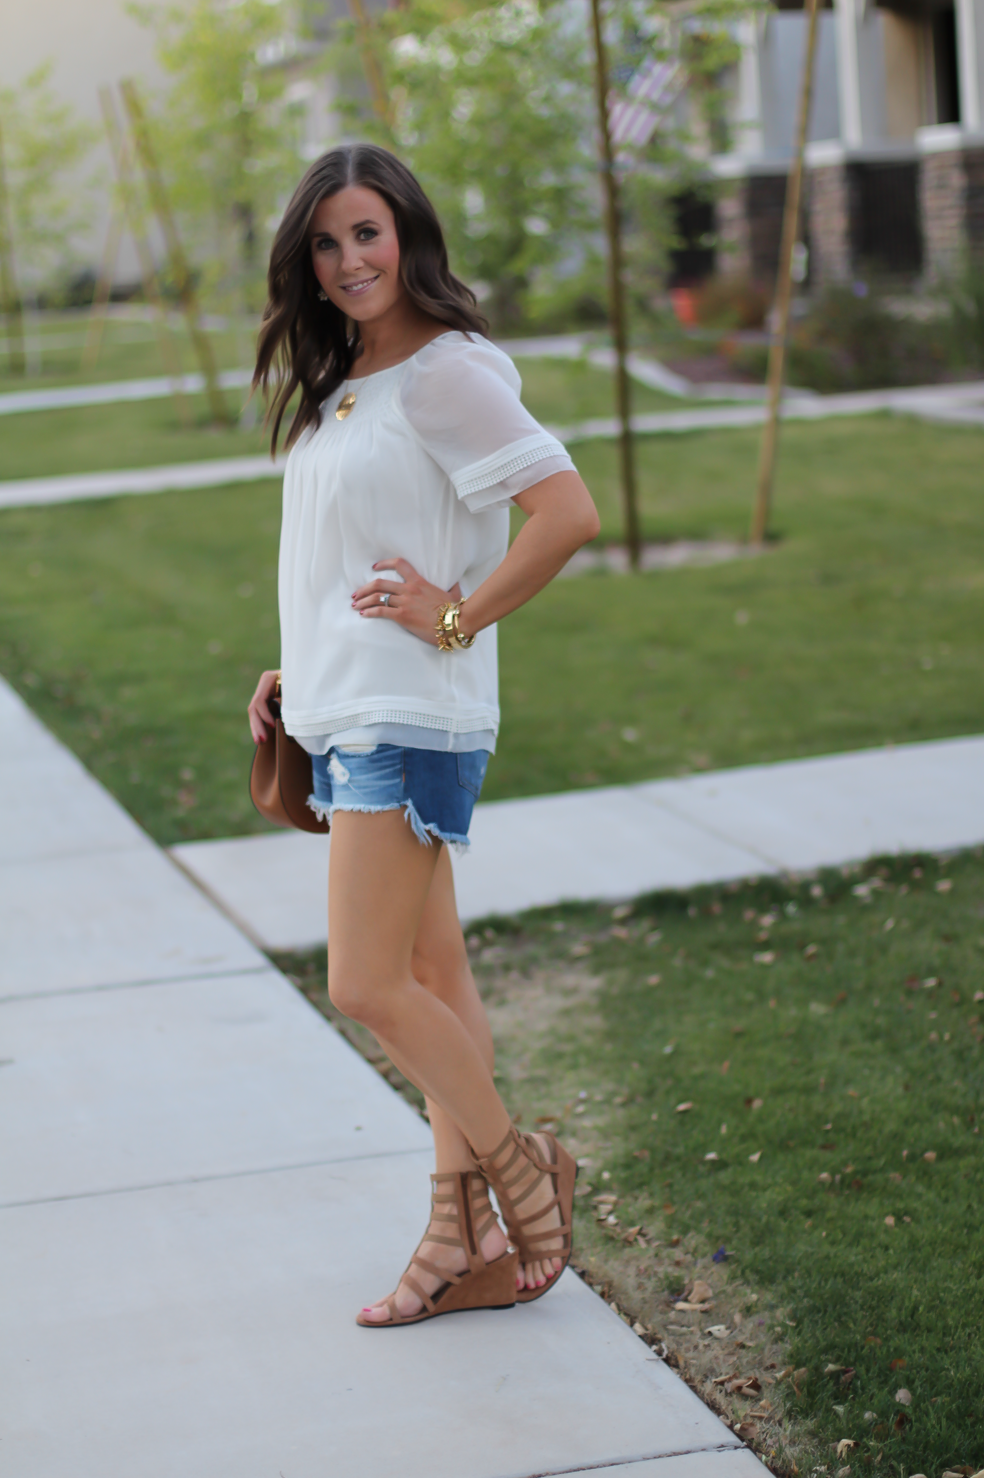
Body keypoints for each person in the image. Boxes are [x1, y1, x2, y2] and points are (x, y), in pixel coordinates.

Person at [247, 144, 600, 1327]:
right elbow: (349, 556)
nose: (350, 260)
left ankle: (519, 1172)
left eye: (368, 233)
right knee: (434, 971)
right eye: (328, 242)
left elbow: (566, 512)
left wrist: (453, 614)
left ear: (408, 234)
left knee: (365, 980)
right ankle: (457, 1237)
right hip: (355, 703)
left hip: (409, 714)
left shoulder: (447, 373)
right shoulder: (354, 375)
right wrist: (298, 672)